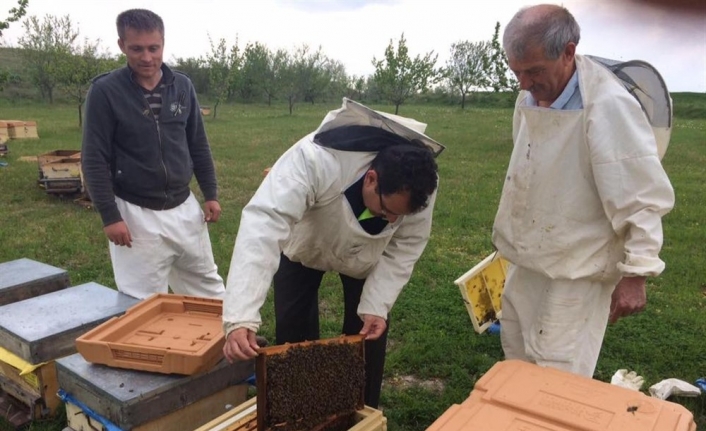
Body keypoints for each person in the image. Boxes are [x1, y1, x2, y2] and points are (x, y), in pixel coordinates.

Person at [492, 4, 675, 377]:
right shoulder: (526, 99)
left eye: (534, 71)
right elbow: (531, 169)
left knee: (557, 374)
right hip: (528, 262)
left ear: (569, 51)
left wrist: (637, 272)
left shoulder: (609, 106)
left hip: (578, 272)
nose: (524, 83)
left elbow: (640, 196)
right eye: (517, 71)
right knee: (517, 360)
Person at [222, 99, 443, 408]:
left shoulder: (421, 187)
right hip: (306, 243)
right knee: (294, 337)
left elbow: (406, 246)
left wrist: (377, 304)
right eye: (387, 210)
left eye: (399, 216)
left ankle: (361, 412)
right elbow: (263, 224)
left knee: (368, 338)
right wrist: (240, 316)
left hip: (366, 257)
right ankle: (299, 408)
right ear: (371, 178)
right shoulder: (313, 160)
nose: (392, 221)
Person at [81, 9, 225, 300]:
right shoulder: (105, 91)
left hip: (184, 207)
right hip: (136, 213)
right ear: (122, 45)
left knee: (207, 285)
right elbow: (94, 159)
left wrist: (210, 193)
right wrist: (110, 216)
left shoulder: (182, 86)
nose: (146, 57)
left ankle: (227, 341)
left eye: (153, 48)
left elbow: (198, 143)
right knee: (144, 301)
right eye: (136, 49)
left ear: (163, 43)